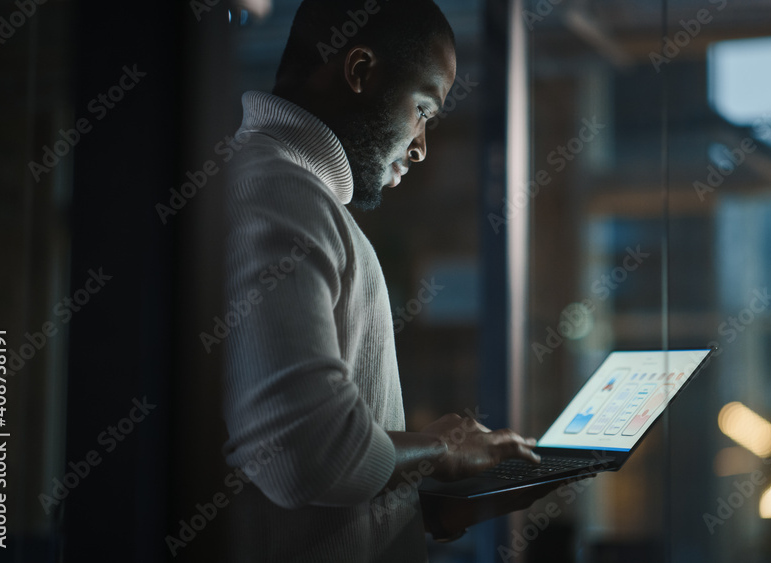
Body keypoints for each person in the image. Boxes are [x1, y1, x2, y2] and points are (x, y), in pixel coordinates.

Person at [220, 1, 543, 560]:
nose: (420, 147)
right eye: (422, 109)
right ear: (361, 71)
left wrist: (422, 500)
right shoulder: (280, 193)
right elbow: (304, 456)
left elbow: (310, 484)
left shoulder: (293, 193)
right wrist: (442, 449)